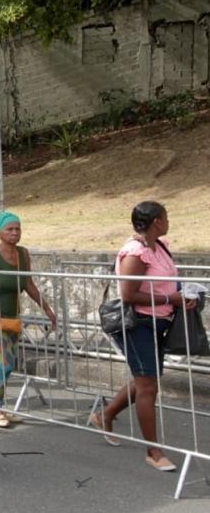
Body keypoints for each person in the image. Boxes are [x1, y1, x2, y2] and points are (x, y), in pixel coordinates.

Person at [90, 201, 194, 472]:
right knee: (148, 386)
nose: (168, 221)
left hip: (160, 321)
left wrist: (183, 296)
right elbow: (128, 294)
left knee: (145, 379)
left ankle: (106, 415)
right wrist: (168, 297)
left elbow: (167, 280)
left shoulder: (160, 245)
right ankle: (153, 451)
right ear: (157, 221)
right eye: (166, 217)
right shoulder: (134, 252)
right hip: (138, 325)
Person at [0, 211, 58, 427]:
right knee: (4, 361)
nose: (15, 233)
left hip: (12, 317)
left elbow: (28, 284)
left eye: (18, 229)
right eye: (9, 229)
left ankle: (1, 404)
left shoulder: (23, 254)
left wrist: (48, 310)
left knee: (10, 362)